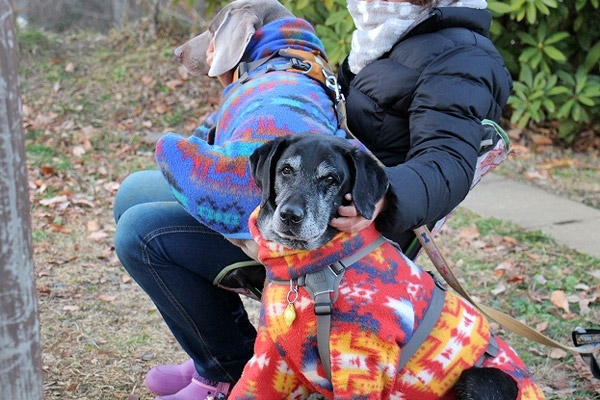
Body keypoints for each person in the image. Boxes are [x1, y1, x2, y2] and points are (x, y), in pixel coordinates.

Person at [113, 0, 512, 399]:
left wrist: (380, 198)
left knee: (140, 234)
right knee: (136, 190)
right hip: (304, 190)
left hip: (342, 241)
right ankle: (217, 345)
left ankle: (226, 370)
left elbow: (448, 164)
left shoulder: (463, 57)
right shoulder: (388, 35)